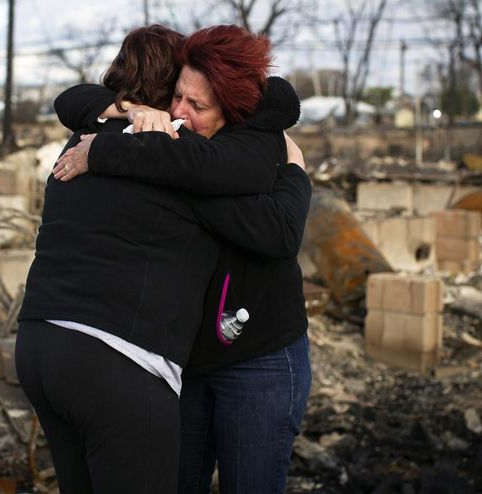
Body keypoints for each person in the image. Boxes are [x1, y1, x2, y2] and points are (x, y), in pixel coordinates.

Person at [52, 25, 311, 494]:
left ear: (233, 110)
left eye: (198, 106)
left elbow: (280, 231)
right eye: (177, 96)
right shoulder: (167, 140)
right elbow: (73, 99)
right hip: (182, 360)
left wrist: (295, 173)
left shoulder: (253, 149)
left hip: (259, 356)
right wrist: (129, 112)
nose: (179, 113)